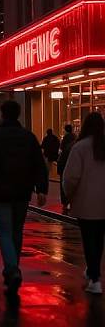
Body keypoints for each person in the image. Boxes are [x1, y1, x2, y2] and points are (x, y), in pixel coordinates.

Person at [0, 100, 48, 295]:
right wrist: (42, 189)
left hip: (0, 192)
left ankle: (12, 268)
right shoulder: (28, 137)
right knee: (17, 231)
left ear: (2, 114)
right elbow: (39, 164)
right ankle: (12, 266)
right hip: (23, 191)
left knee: (5, 232)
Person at [63, 112, 105, 295]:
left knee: (89, 240)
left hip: (86, 202)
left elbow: (71, 178)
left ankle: (95, 278)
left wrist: (69, 196)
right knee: (99, 239)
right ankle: (93, 271)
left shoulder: (79, 148)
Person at [57, 124, 76, 214]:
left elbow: (61, 151)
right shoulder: (76, 139)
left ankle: (65, 203)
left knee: (64, 184)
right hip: (72, 164)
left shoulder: (65, 140)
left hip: (64, 164)